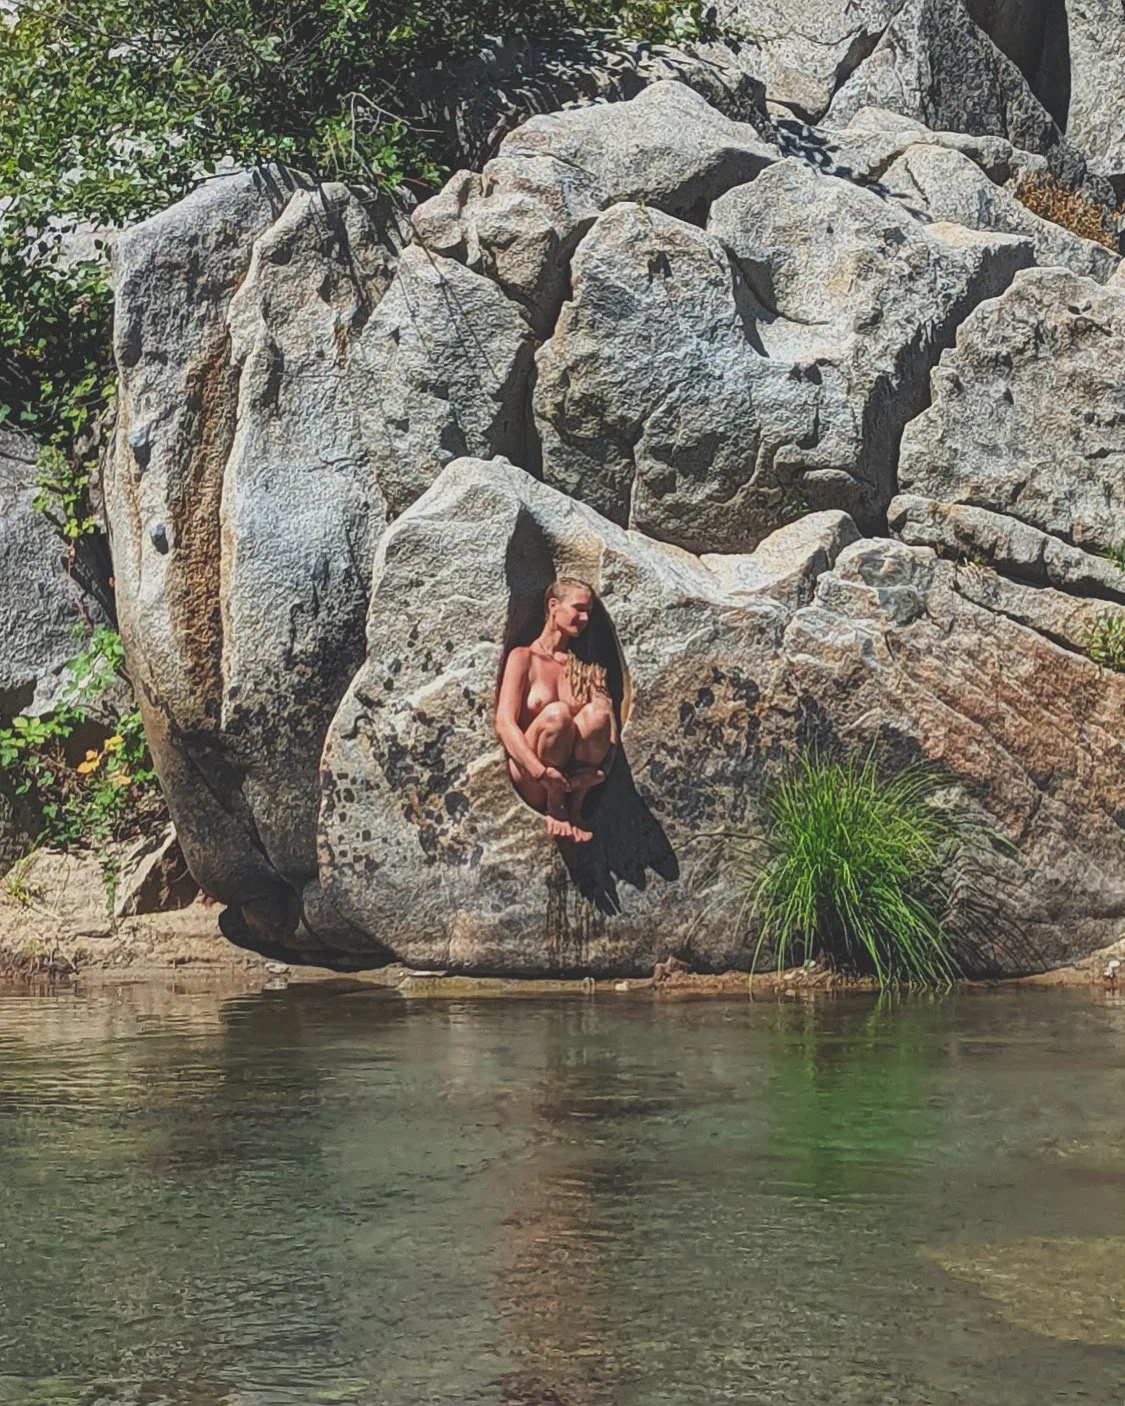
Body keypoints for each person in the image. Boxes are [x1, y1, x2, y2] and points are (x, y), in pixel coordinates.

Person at [495, 578, 618, 843]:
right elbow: (504, 723)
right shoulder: (523, 657)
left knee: (597, 714)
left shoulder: (586, 667)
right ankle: (555, 802)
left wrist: (600, 773)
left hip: (577, 781)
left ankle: (575, 806)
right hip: (532, 774)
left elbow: (609, 728)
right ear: (554, 606)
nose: (584, 618)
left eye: (589, 612)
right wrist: (540, 772)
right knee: (558, 714)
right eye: (578, 609)